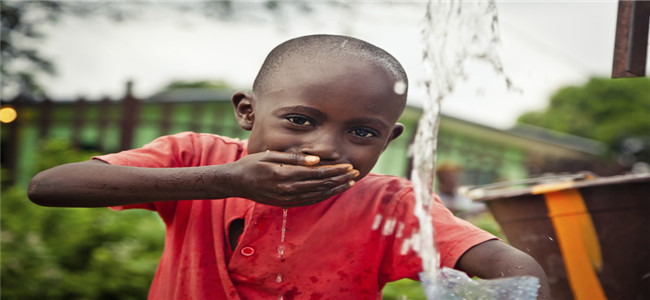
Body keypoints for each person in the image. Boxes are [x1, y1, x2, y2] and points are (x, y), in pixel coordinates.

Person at [28, 34, 549, 299]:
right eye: (300, 120)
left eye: (362, 132)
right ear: (247, 112)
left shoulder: (391, 206)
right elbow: (50, 186)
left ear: (388, 139)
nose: (325, 147)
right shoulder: (197, 158)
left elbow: (511, 266)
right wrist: (224, 180)